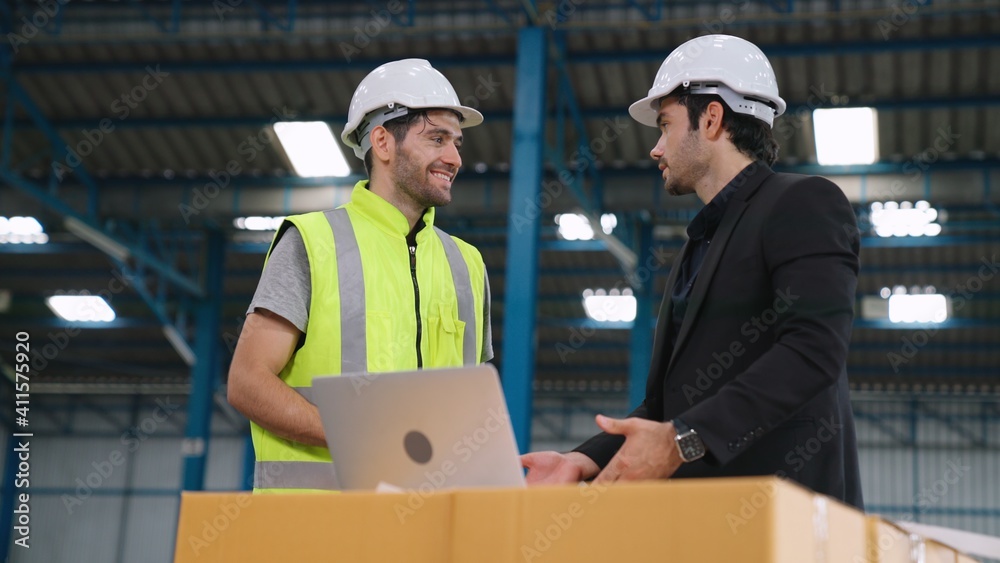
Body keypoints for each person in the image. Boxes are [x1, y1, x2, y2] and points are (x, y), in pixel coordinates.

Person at [521, 35, 863, 508]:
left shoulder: (803, 203)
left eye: (665, 125)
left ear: (712, 118)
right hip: (703, 525)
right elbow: (666, 406)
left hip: (786, 521)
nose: (655, 149)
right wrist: (581, 460)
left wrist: (685, 438)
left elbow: (814, 350)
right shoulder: (697, 248)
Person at [228, 59, 494, 493]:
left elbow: (473, 409)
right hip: (316, 531)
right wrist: (357, 436)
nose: (454, 158)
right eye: (437, 139)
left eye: (457, 143)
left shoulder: (466, 263)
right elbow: (247, 383)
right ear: (383, 142)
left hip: (425, 530)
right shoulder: (312, 242)